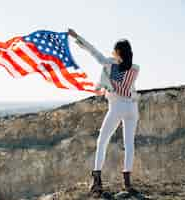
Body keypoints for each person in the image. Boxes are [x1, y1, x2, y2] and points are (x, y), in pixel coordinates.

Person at [68, 28, 141, 198]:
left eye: (114, 51)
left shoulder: (110, 65)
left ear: (117, 52)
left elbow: (93, 51)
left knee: (102, 141)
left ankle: (97, 180)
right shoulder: (135, 69)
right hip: (132, 108)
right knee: (129, 144)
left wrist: (77, 36)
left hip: (117, 107)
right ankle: (127, 182)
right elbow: (124, 84)